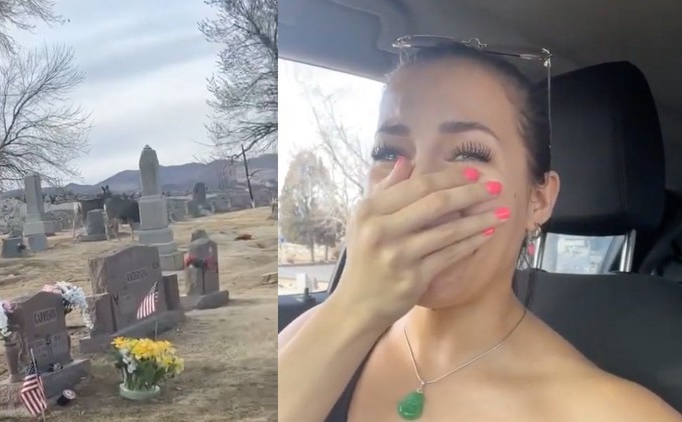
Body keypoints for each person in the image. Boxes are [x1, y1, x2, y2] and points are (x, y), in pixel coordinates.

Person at [277, 43, 681, 422]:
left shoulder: (612, 412)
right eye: (390, 153)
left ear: (538, 201)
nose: (421, 186)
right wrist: (354, 310)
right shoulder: (317, 332)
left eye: (470, 153)